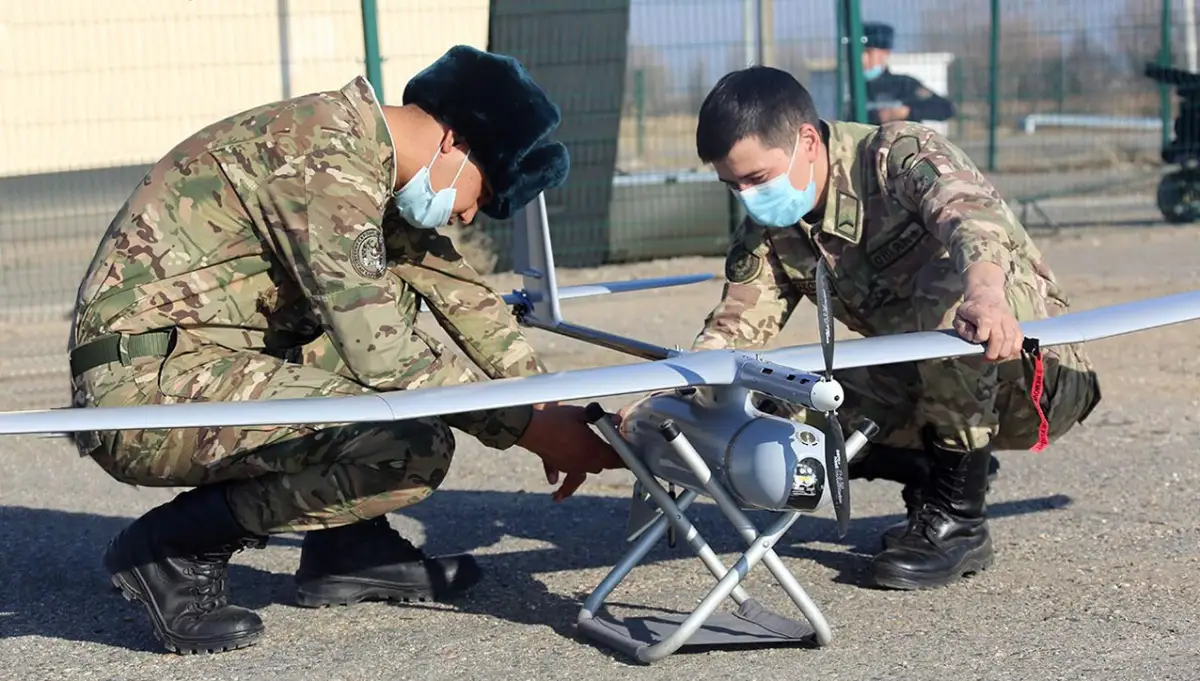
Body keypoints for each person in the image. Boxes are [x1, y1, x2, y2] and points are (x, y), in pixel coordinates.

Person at [67, 45, 624, 654]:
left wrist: (546, 403)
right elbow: (384, 356)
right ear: (455, 142)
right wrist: (527, 427)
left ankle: (348, 544)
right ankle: (172, 547)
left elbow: (463, 295)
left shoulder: (364, 160)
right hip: (145, 391)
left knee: (392, 301)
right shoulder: (321, 163)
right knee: (407, 442)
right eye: (482, 192)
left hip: (197, 364)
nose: (467, 215)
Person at [686, 65, 1102, 590]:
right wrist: (667, 399)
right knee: (772, 408)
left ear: (807, 141)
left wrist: (986, 294)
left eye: (757, 178)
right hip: (920, 384)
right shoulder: (770, 233)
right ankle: (934, 471)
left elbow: (972, 219)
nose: (748, 197)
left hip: (1032, 376)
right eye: (733, 186)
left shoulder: (896, 156)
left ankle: (959, 522)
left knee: (950, 301)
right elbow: (733, 331)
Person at [854, 22, 955, 126]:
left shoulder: (902, 84)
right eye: (857, 52)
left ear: (885, 53)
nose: (862, 57)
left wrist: (906, 112)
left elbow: (945, 109)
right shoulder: (847, 86)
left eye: (868, 52)